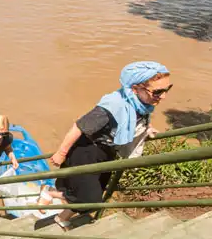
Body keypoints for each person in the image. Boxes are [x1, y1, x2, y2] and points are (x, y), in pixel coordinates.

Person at [40, 61, 172, 230]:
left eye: (167, 89)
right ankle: (49, 192)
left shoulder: (141, 105)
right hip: (87, 151)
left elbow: (130, 124)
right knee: (90, 201)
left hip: (108, 152)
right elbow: (80, 126)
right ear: (134, 88)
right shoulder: (113, 106)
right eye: (157, 91)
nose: (163, 96)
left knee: (95, 194)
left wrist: (145, 129)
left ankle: (61, 218)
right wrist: (61, 152)